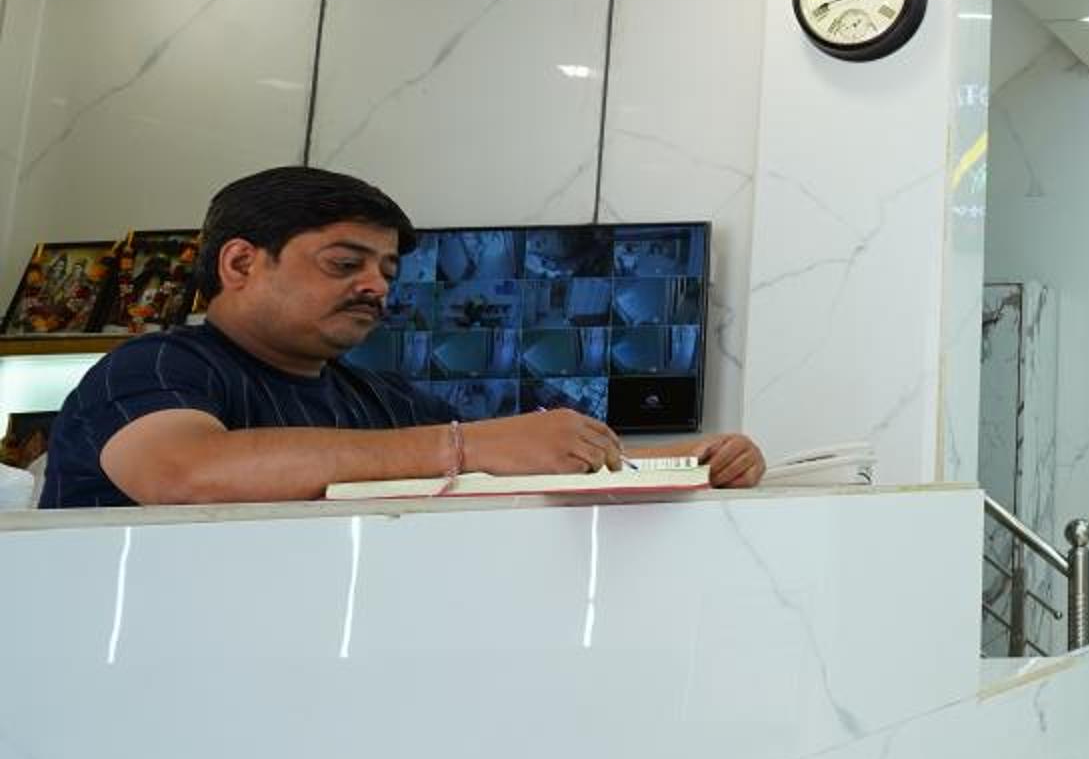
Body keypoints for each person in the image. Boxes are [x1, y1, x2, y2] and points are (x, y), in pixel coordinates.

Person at [41, 166, 763, 510]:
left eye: (387, 271)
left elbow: (520, 466)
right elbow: (181, 474)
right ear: (240, 263)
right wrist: (463, 446)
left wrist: (690, 460)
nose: (377, 288)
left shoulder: (378, 398)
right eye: (345, 264)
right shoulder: (154, 367)